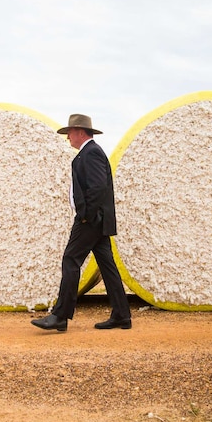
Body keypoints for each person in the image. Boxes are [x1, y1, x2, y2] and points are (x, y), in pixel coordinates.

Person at [31, 114, 132, 332]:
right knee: (107, 266)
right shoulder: (87, 153)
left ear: (79, 132)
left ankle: (60, 315)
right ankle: (122, 315)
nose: (68, 138)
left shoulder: (91, 153)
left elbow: (97, 187)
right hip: (97, 221)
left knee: (70, 259)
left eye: (69, 133)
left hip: (91, 221)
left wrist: (86, 216)